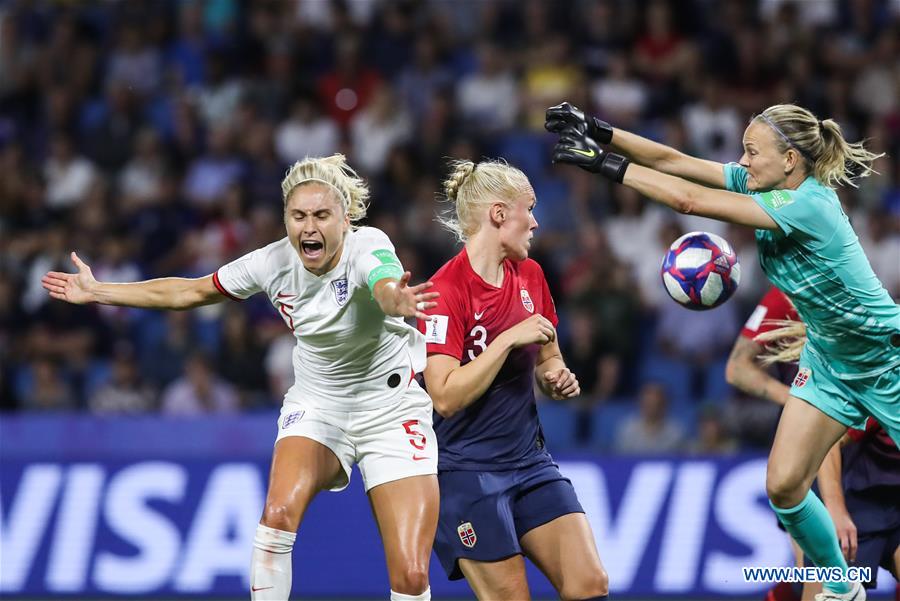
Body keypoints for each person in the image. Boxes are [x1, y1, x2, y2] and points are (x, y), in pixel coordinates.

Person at [42, 154, 441, 601]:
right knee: (276, 516)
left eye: (322, 216)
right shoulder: (271, 263)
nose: (309, 227)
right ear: (285, 219)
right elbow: (190, 291)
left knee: (410, 576)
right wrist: (99, 291)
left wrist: (395, 298)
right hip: (318, 404)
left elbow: (385, 283)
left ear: (345, 220)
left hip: (390, 410)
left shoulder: (367, 245)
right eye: (298, 216)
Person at [547, 101, 899, 601]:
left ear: (791, 160)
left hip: (888, 361)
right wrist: (601, 132)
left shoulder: (808, 205)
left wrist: (604, 165)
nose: (743, 160)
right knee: (783, 487)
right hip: (831, 363)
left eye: (752, 152)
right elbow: (675, 163)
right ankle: (842, 587)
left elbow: (688, 201)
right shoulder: (767, 184)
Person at [417, 158, 609, 600]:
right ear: (500, 214)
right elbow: (443, 396)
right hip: (465, 474)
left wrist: (555, 375)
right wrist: (504, 341)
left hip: (529, 463)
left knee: (590, 583)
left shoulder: (532, 275)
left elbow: (548, 352)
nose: (536, 222)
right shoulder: (444, 292)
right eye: (530, 209)